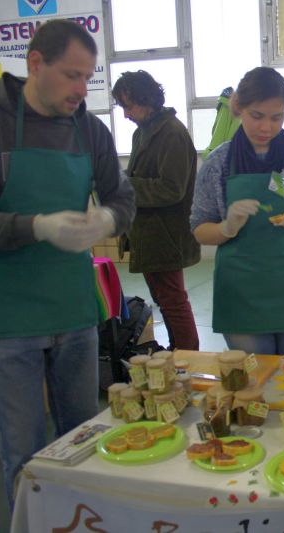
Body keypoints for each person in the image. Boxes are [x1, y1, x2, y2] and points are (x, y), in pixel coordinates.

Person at [0, 20, 135, 507]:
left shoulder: (89, 129)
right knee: (24, 450)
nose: (82, 89)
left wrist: (109, 218)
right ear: (35, 64)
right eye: (72, 75)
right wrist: (35, 227)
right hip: (8, 318)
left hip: (73, 311)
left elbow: (123, 197)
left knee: (82, 439)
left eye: (88, 77)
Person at [190, 66, 284, 355]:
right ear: (239, 109)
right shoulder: (218, 163)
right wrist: (225, 228)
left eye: (277, 117)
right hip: (241, 293)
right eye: (256, 116)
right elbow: (199, 228)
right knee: (255, 379)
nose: (266, 128)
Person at [112, 70, 200, 351]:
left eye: (129, 106)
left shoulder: (171, 133)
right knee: (164, 299)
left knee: (173, 301)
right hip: (149, 232)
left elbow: (171, 189)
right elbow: (141, 177)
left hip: (166, 233)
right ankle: (177, 355)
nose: (126, 114)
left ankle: (187, 359)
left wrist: (124, 184)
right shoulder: (143, 132)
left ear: (147, 100)